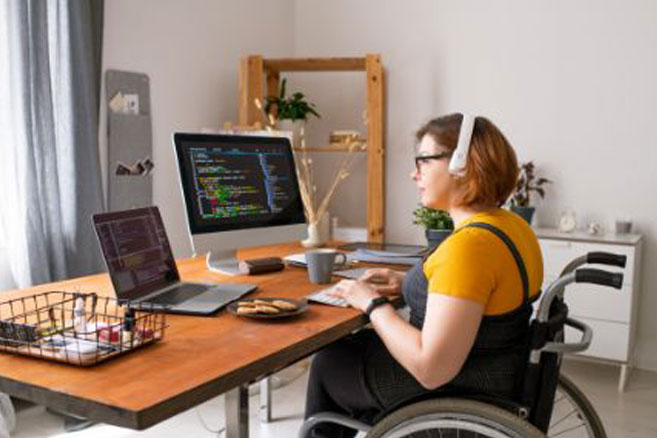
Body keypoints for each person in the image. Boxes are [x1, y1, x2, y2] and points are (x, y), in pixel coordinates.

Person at [303, 113, 544, 437]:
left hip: (456, 385)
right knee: (350, 347)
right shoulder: (511, 226)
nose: (413, 173)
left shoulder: (469, 247)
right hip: (492, 369)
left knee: (329, 363)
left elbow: (431, 369)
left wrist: (372, 303)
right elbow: (479, 295)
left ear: (463, 165)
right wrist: (406, 283)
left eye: (424, 161)